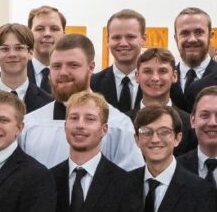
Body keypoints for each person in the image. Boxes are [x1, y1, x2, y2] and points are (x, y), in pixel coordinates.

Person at [18, 33, 142, 170]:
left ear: (91, 67)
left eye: (73, 65)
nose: (63, 73)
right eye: (56, 66)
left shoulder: (118, 124)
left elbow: (128, 180)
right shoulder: (29, 125)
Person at [132, 47, 194, 155]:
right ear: (137, 76)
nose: (155, 78)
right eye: (147, 71)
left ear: (174, 76)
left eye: (162, 71)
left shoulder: (190, 124)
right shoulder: (122, 122)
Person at [90, 9, 147, 115]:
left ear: (143, 39)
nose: (123, 43)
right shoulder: (92, 84)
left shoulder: (158, 83)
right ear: (108, 41)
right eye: (116, 37)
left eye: (130, 37)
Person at [0, 22, 51, 112]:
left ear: (30, 53)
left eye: (19, 48)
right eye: (5, 49)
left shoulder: (49, 103)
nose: (12, 54)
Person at [170, 7, 217, 111]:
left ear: (211, 36)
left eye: (199, 32)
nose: (192, 39)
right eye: (185, 33)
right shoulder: (164, 80)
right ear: (176, 38)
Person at [27, 5, 65, 92]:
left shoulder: (79, 77)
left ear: (64, 35)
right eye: (40, 29)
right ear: (29, 34)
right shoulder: (9, 77)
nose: (47, 34)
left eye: (54, 29)